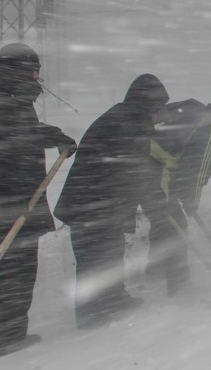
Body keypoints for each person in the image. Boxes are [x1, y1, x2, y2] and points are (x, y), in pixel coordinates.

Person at [0, 44, 77, 357]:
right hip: (4, 203)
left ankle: (6, 333)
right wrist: (49, 136)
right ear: (19, 72)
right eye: (33, 71)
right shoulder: (1, 103)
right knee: (18, 269)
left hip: (5, 201)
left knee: (17, 267)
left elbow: (21, 132)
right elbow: (14, 138)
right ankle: (5, 338)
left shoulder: (6, 99)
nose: (38, 77)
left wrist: (50, 134)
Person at [54, 74, 170, 329]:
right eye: (159, 109)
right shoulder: (130, 125)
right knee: (94, 260)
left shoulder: (126, 118)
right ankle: (90, 315)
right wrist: (156, 205)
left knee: (110, 255)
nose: (160, 116)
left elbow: (135, 168)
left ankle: (114, 299)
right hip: (92, 203)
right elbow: (136, 172)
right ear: (148, 105)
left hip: (99, 201)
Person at [142, 99, 211, 294]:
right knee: (177, 229)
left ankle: (155, 275)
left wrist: (178, 191)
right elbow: (198, 173)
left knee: (164, 224)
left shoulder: (192, 111)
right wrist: (192, 199)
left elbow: (177, 151)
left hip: (142, 172)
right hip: (156, 180)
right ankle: (179, 288)